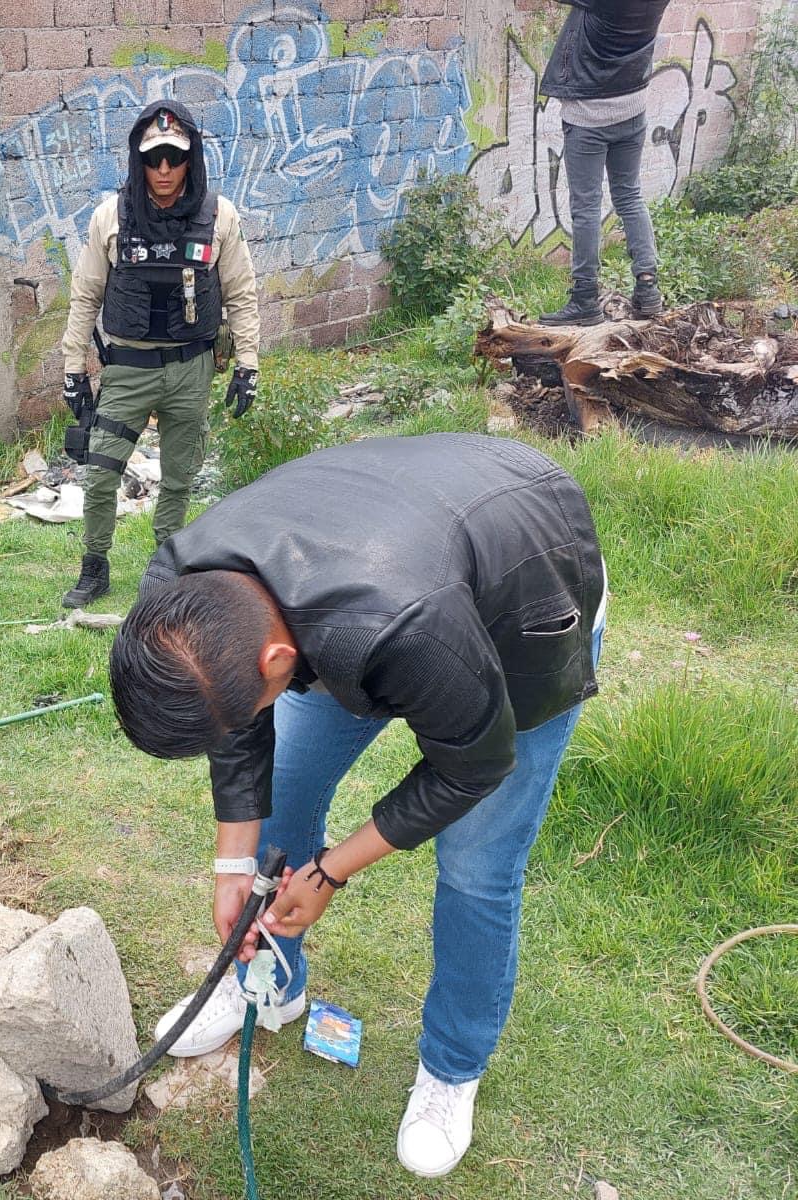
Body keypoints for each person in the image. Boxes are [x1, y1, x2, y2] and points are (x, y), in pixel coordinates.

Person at [109, 433, 607, 1178]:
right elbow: (237, 722)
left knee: (478, 866)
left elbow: (474, 765)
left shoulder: (400, 626)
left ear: (278, 662)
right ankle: (272, 987)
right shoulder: (182, 593)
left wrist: (332, 871)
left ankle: (452, 1069)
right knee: (284, 801)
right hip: (386, 559)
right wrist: (231, 865)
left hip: (526, 592)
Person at [57, 100, 261, 608]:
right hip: (128, 369)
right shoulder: (110, 216)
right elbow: (85, 295)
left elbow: (241, 292)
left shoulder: (220, 215)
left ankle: (166, 568)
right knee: (101, 473)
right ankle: (94, 567)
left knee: (177, 479)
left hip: (193, 368)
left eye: (174, 156)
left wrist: (248, 364)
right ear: (138, 160)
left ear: (190, 159)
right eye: (154, 158)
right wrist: (72, 369)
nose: (164, 169)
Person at [540, 0, 672, 326]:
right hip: (632, 108)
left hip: (589, 116)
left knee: (586, 207)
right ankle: (648, 287)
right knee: (629, 196)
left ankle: (584, 298)